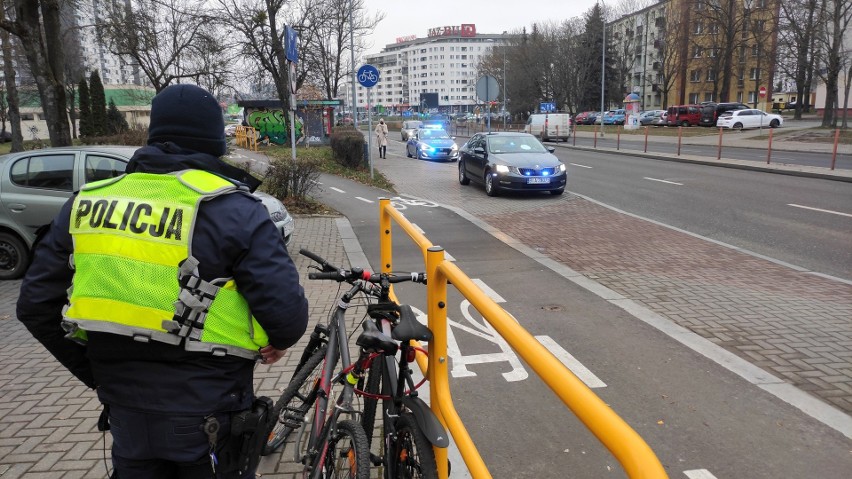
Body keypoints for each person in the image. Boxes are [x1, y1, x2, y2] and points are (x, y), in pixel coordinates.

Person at [16, 84, 310, 479]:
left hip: (125, 412)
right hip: (210, 411)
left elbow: (35, 306)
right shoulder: (236, 210)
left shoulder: (85, 203)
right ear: (215, 142)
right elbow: (286, 318)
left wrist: (99, 374)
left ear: (153, 135)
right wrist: (278, 339)